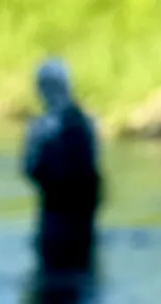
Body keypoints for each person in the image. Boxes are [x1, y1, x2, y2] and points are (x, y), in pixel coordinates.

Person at [21, 58, 102, 272]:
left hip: (54, 214)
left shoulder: (39, 128)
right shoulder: (88, 121)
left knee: (51, 275)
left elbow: (29, 168)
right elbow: (94, 170)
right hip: (83, 215)